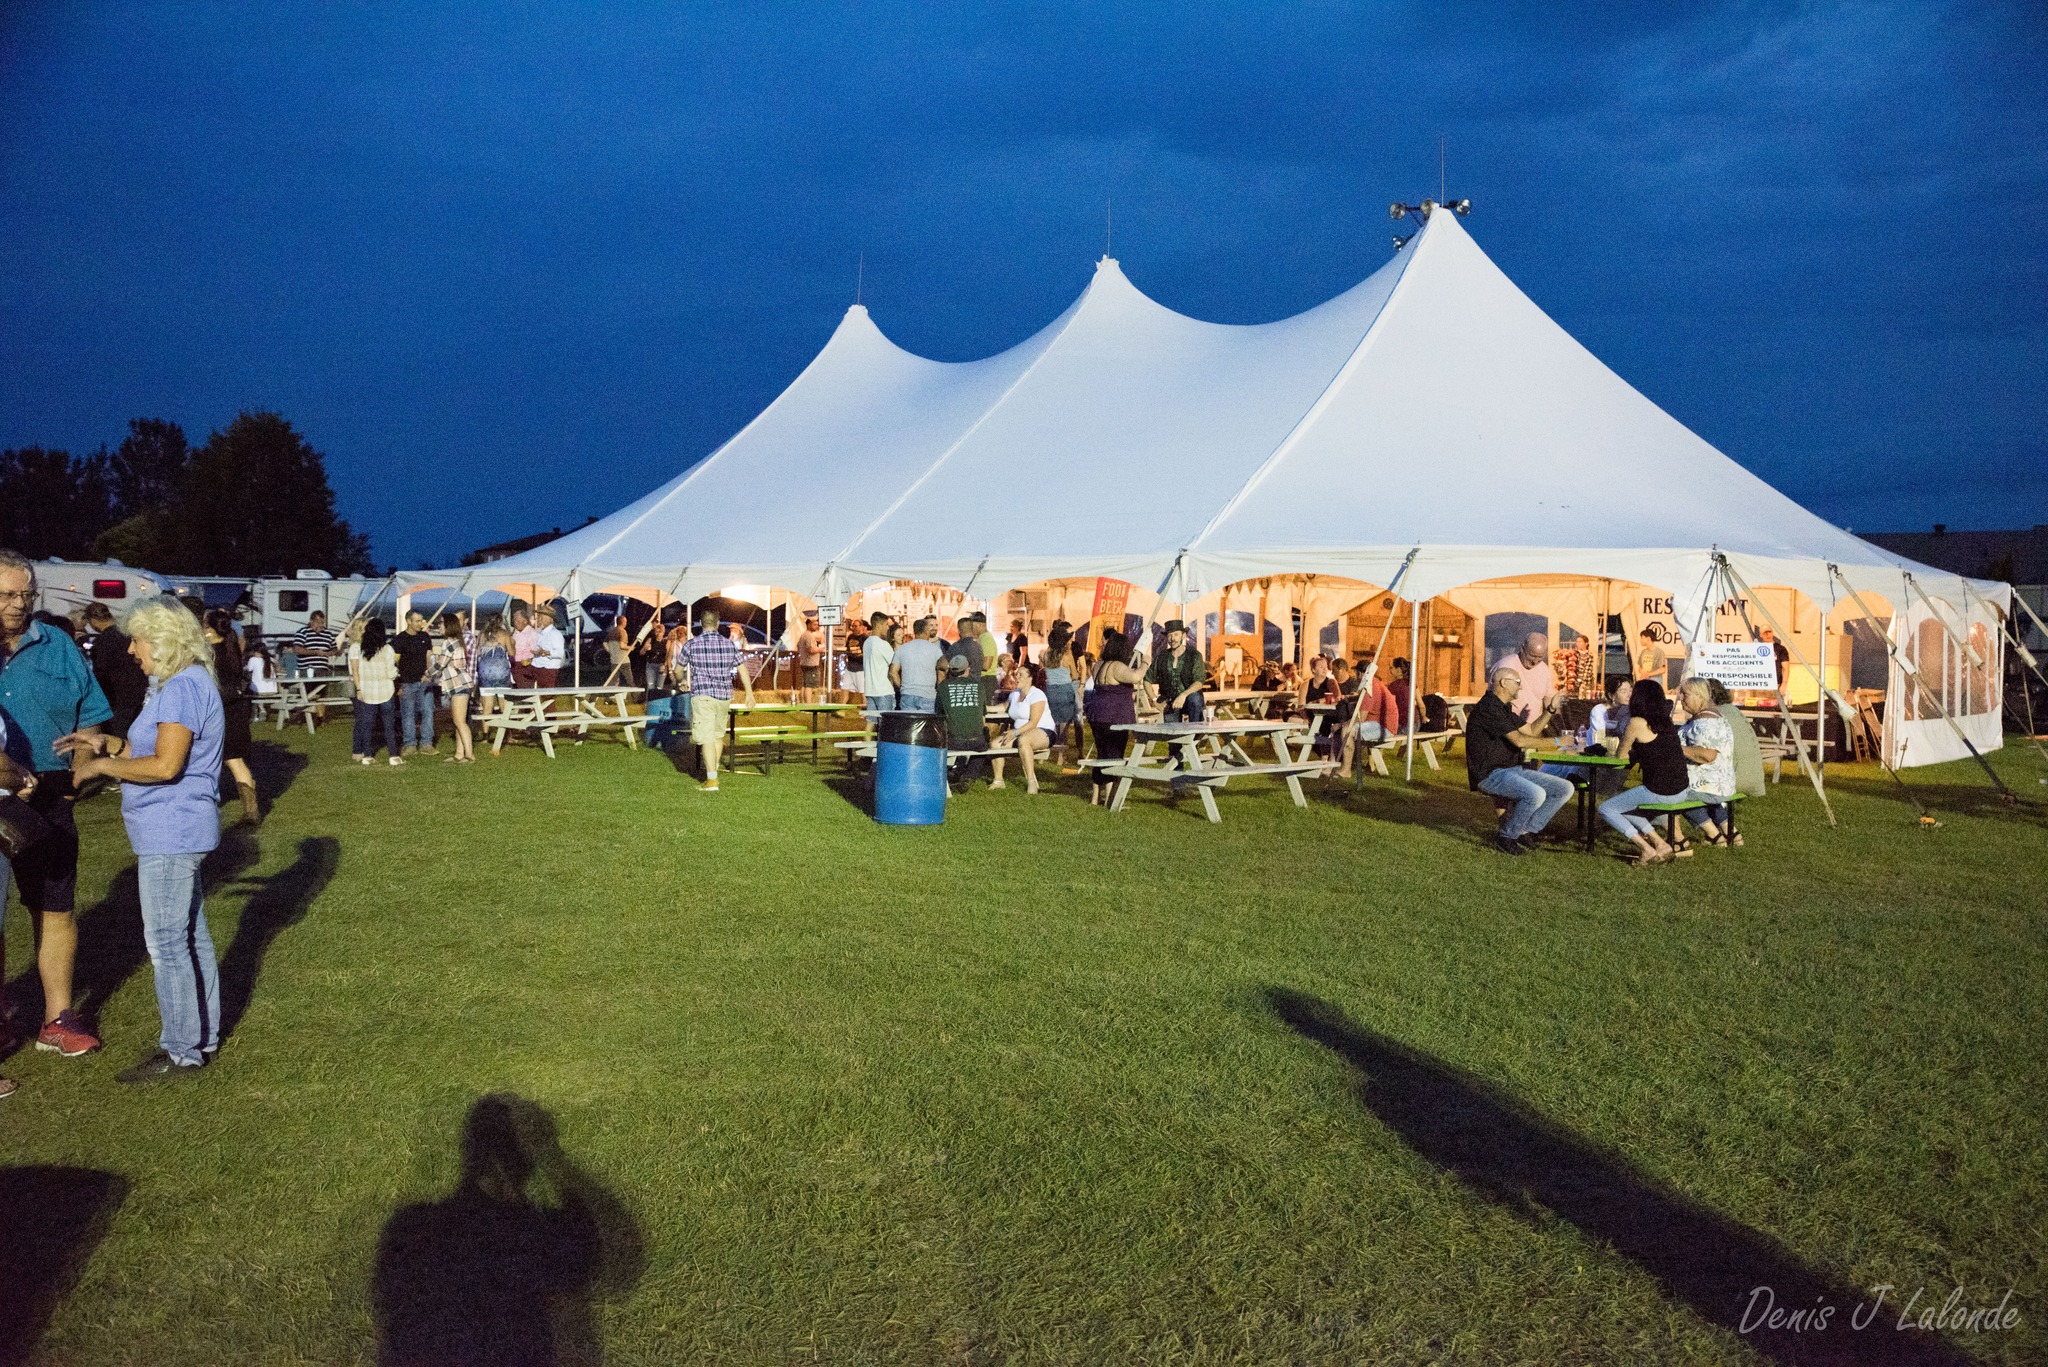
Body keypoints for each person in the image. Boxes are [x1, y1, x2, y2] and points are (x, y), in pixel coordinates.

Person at [54, 602, 223, 1083]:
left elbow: (166, 767)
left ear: (163, 640)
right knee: (191, 937)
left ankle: (181, 1051)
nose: (130, 649)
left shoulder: (183, 687)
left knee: (168, 943)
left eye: (137, 639)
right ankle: (200, 1037)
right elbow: (151, 753)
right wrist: (106, 745)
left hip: (172, 830)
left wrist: (104, 766)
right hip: (177, 829)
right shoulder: (177, 686)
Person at [0, 548, 110, 1059]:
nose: (19, 604)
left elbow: (92, 715)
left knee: (55, 907)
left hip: (50, 793)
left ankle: (58, 1019)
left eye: (26, 594)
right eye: (7, 595)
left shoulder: (59, 645)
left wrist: (84, 758)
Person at [1465, 662, 1573, 856]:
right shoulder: (1489, 708)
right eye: (1517, 682)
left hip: (1512, 769)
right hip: (1490, 774)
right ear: (1504, 683)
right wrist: (1558, 741)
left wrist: (1549, 710)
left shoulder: (1504, 708)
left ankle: (1523, 829)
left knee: (1564, 788)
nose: (1521, 687)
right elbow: (1520, 741)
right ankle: (1506, 837)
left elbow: (1531, 730)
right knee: (1535, 794)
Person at [1598, 678, 1691, 865]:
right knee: (1627, 807)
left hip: (1659, 790)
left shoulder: (1636, 722)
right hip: (1681, 789)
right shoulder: (1666, 722)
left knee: (1606, 808)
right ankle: (1660, 844)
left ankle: (1647, 849)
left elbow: (1620, 755)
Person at [680, 611, 756, 792]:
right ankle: (712, 774)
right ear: (718, 623)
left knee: (706, 737)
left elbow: (677, 668)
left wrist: (681, 680)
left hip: (702, 695)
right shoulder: (729, 645)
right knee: (716, 736)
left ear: (700, 622)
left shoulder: (691, 644)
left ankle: (712, 780)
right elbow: (743, 670)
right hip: (723, 697)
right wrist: (749, 693)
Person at [203, 609, 262, 823]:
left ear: (209, 629)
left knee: (207, 761)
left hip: (218, 711)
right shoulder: (232, 647)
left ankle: (204, 807)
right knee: (236, 761)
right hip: (236, 709)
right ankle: (251, 810)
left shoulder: (207, 654)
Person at [1084, 629, 1144, 806]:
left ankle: (1095, 797)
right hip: (1114, 715)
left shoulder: (1099, 665)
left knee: (1102, 754)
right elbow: (1135, 676)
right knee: (1114, 755)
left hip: (1097, 713)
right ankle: (1111, 798)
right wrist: (1145, 663)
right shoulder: (1117, 666)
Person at [1676, 679, 1738, 846]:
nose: (1681, 698)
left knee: (1674, 793)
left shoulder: (1705, 724)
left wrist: (1673, 748)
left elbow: (1707, 755)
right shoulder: (1715, 717)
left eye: (1685, 694)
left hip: (1707, 784)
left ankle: (1713, 835)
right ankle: (1731, 832)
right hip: (1720, 783)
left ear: (1700, 696)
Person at [82, 602, 149, 740]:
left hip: (117, 700)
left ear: (93, 620)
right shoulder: (129, 634)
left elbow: (100, 675)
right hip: (139, 694)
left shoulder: (102, 642)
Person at [937, 655, 1002, 788]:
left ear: (951, 671)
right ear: (967, 670)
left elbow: (939, 714)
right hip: (976, 740)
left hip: (953, 741)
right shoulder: (978, 686)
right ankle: (969, 777)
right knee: (983, 748)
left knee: (956, 740)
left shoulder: (943, 687)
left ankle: (957, 772)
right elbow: (983, 716)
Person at [1337, 663, 1403, 780]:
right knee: (1342, 728)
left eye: (1356, 673)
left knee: (1347, 730)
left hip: (1384, 726)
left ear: (1361, 673)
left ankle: (1346, 770)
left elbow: (1361, 718)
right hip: (1382, 722)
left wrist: (1342, 724)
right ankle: (1333, 765)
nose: (1355, 676)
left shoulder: (1370, 688)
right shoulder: (1374, 684)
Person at [996, 660, 1053, 794]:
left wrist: (1014, 732)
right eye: (1017, 674)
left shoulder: (1037, 695)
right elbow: (1003, 707)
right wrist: (984, 709)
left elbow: (1033, 723)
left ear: (1030, 678)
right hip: (1021, 732)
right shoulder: (1014, 694)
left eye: (1021, 675)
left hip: (1043, 731)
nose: (1017, 677)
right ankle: (998, 780)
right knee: (995, 744)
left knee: (1024, 741)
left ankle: (1031, 782)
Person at [352, 618, 402, 765]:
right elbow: (391, 673)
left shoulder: (360, 649)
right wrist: (396, 671)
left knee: (368, 725)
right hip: (385, 692)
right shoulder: (387, 650)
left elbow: (357, 671)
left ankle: (367, 755)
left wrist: (359, 688)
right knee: (389, 725)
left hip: (367, 692)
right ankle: (393, 755)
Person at [390, 610, 437, 756]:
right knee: (408, 714)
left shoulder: (425, 637)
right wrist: (397, 684)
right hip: (407, 682)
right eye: (417, 621)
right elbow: (394, 663)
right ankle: (410, 744)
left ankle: (426, 743)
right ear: (409, 621)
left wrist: (428, 673)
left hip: (424, 681)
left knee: (428, 712)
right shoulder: (399, 640)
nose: (421, 624)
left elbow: (429, 656)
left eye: (421, 620)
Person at [434, 616, 477, 763]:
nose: (438, 625)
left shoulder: (449, 643)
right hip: (461, 685)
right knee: (458, 720)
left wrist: (426, 675)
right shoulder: (457, 641)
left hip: (458, 685)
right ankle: (460, 753)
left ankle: (469, 754)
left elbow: (440, 664)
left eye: (440, 623)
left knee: (459, 721)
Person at [1039, 622, 1082, 768]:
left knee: (1052, 723)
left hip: (1050, 691)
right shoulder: (1067, 655)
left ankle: (1044, 751)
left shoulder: (1046, 654)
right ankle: (1060, 756)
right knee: (1064, 726)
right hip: (1065, 690)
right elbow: (1075, 675)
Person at [1147, 619, 1206, 721]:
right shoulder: (1162, 656)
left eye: (1176, 635)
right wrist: (1154, 700)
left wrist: (1183, 695)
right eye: (1169, 635)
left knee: (1195, 699)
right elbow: (1146, 680)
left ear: (1183, 636)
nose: (1172, 638)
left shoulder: (1194, 655)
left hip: (1188, 700)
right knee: (1173, 734)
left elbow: (1199, 682)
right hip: (1169, 702)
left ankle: (1196, 732)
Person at [1498, 633, 1556, 724]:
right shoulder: (1506, 666)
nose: (1535, 661)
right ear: (1522, 649)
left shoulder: (1544, 669)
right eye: (1532, 656)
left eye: (1540, 657)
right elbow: (1496, 703)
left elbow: (1548, 699)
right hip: (1509, 727)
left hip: (1535, 729)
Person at [889, 617, 943, 713]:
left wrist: (902, 687)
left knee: (909, 726)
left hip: (907, 694)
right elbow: (941, 673)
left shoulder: (902, 649)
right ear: (927, 631)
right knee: (927, 726)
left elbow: (893, 672)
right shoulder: (935, 650)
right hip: (928, 695)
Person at [862, 612, 897, 717]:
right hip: (883, 691)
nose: (887, 628)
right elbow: (895, 663)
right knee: (886, 724)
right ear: (878, 625)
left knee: (871, 722)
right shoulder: (883, 644)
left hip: (870, 690)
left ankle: (867, 735)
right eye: (886, 625)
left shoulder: (867, 642)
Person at [530, 608, 566, 689]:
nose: (539, 619)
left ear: (550, 619)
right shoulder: (539, 632)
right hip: (538, 667)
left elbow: (560, 653)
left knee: (548, 696)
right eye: (539, 617)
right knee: (541, 696)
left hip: (549, 669)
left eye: (542, 617)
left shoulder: (555, 633)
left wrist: (546, 652)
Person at [794, 611, 824, 703]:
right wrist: (821, 648)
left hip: (804, 662)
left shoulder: (803, 635)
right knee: (809, 686)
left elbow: (798, 646)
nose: (817, 626)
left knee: (805, 684)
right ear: (809, 624)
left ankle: (803, 703)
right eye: (815, 625)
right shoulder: (809, 636)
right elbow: (812, 650)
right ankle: (808, 704)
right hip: (811, 663)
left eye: (817, 625)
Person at [510, 608, 539, 688]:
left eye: (518, 621)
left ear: (525, 621)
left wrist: (529, 662)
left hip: (525, 666)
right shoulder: (515, 632)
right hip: (515, 666)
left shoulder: (531, 633)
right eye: (514, 621)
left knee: (525, 690)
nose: (515, 623)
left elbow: (535, 650)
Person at [603, 616, 631, 684]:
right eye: (626, 622)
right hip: (623, 660)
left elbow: (604, 644)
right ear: (623, 622)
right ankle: (634, 693)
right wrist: (630, 648)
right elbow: (622, 646)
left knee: (614, 680)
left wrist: (610, 651)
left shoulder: (611, 632)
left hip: (614, 660)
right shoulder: (622, 632)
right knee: (629, 679)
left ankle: (610, 693)